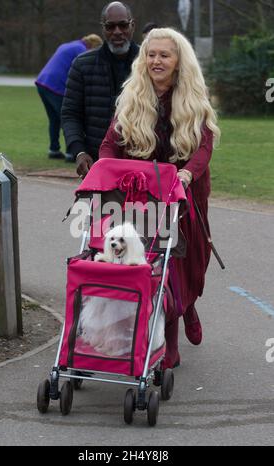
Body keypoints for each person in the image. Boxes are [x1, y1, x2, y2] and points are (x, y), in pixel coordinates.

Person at [99, 27, 221, 369]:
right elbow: (111, 141)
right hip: (142, 194)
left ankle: (189, 306)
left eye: (164, 55)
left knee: (191, 261)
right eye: (151, 55)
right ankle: (169, 342)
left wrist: (187, 173)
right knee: (157, 262)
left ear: (178, 60)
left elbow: (204, 146)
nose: (156, 61)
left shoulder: (194, 97)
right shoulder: (134, 95)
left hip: (186, 192)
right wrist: (104, 167)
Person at [61, 1, 139, 172]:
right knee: (100, 201)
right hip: (97, 163)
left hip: (140, 162)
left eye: (123, 25)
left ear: (132, 25)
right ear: (103, 28)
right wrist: (79, 151)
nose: (117, 32)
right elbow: (70, 113)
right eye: (110, 26)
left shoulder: (148, 64)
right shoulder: (82, 65)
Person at [35, 34, 103, 160]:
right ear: (93, 46)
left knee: (54, 119)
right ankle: (71, 153)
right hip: (56, 86)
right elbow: (82, 72)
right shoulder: (81, 51)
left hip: (42, 82)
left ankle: (54, 149)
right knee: (68, 119)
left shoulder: (69, 45)